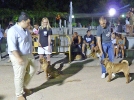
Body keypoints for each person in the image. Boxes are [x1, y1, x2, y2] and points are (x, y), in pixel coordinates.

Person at [7, 12, 36, 100]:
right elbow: (12, 47)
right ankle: (19, 94)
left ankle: (22, 87)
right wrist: (18, 58)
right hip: (18, 56)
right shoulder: (13, 30)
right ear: (22, 21)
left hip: (28, 54)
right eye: (28, 23)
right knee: (19, 74)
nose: (29, 24)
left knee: (33, 69)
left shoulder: (25, 29)